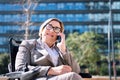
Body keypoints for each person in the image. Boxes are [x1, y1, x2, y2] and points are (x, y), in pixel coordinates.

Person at [15, 18, 82, 80]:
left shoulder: (60, 49)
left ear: (59, 35)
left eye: (56, 29)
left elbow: (76, 71)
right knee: (72, 76)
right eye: (49, 26)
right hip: (39, 78)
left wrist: (64, 51)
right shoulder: (28, 45)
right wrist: (50, 70)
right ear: (42, 30)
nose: (52, 30)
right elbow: (20, 68)